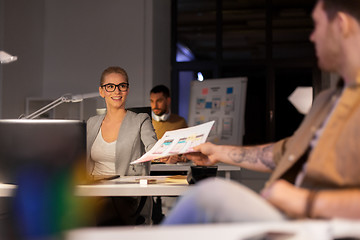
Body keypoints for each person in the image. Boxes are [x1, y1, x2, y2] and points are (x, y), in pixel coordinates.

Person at [163, 0, 360, 225]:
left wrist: (305, 200)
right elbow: (284, 152)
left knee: (209, 198)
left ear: (341, 25)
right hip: (292, 218)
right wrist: (217, 152)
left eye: (316, 25)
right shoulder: (328, 100)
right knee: (209, 194)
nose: (312, 36)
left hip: (322, 226)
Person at [87, 66, 157, 225]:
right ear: (101, 91)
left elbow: (153, 148)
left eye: (122, 86)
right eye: (110, 86)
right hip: (92, 192)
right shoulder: (92, 123)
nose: (117, 91)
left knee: (101, 211)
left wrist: (169, 152)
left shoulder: (140, 120)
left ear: (127, 89)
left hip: (125, 195)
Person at [150, 85, 188, 164]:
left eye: (159, 101)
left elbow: (187, 150)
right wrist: (159, 159)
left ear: (168, 101)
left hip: (174, 170)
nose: (155, 106)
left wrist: (183, 157)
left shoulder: (180, 122)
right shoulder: (145, 122)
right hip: (151, 171)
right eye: (152, 101)